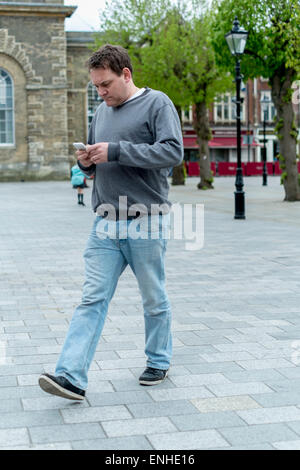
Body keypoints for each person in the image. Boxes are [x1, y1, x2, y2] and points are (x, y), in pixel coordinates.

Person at [38, 44, 183, 401]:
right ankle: (70, 377)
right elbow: (98, 159)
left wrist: (115, 150)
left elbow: (172, 151)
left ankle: (158, 360)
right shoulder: (102, 111)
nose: (101, 93)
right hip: (104, 222)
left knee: (153, 297)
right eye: (96, 87)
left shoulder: (157, 103)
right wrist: (87, 161)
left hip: (146, 220)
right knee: (91, 299)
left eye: (105, 85)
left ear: (126, 74)